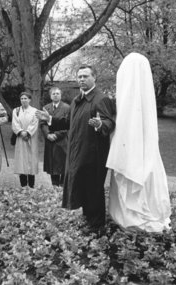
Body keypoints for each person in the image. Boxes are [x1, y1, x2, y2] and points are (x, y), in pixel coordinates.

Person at [36, 65, 115, 227]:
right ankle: (88, 220)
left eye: (85, 76)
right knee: (83, 187)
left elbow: (109, 122)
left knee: (93, 190)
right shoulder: (77, 99)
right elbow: (68, 122)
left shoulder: (101, 99)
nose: (81, 79)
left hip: (94, 155)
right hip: (78, 152)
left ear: (94, 78)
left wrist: (100, 125)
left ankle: (97, 226)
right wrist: (50, 119)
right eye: (79, 77)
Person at [106, 53, 171, 232]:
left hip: (129, 137)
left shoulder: (131, 90)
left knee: (132, 166)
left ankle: (131, 215)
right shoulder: (141, 89)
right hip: (139, 141)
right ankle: (141, 211)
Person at [41, 87, 70, 187]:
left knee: (62, 164)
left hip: (62, 140)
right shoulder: (46, 108)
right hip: (50, 140)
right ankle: (54, 186)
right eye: (53, 94)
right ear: (50, 96)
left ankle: (62, 186)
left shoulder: (67, 108)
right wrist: (47, 134)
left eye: (57, 93)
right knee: (52, 165)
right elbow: (43, 123)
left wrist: (56, 135)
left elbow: (68, 125)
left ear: (61, 95)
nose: (56, 95)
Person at [12, 92, 39, 188]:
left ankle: (31, 185)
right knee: (21, 161)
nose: (23, 100)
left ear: (29, 99)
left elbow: (34, 123)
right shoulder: (16, 110)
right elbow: (15, 123)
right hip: (20, 139)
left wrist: (28, 132)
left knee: (31, 161)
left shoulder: (35, 111)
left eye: (26, 98)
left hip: (31, 138)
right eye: (22, 98)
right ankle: (23, 185)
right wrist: (21, 132)